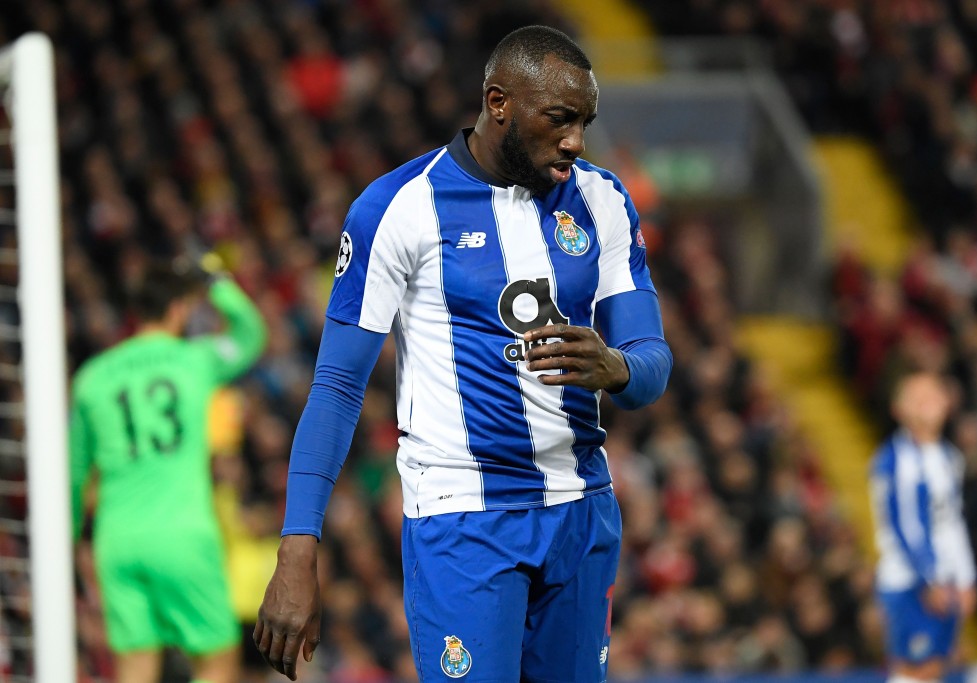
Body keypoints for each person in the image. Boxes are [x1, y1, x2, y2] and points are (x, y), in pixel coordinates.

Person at [255, 24, 673, 682]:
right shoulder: (398, 208)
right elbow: (337, 386)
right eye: (560, 120)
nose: (576, 141)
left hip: (581, 509)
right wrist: (298, 546)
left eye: (586, 122)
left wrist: (617, 368)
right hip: (464, 520)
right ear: (499, 102)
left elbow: (651, 361)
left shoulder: (602, 200)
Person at [70, 260, 268, 683]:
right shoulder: (194, 362)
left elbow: (73, 476)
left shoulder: (91, 379)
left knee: (135, 665)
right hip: (183, 535)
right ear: (178, 309)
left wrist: (71, 541)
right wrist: (216, 282)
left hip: (117, 541)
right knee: (215, 659)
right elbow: (250, 334)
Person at [869, 372, 977, 683]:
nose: (927, 404)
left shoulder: (948, 457)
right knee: (914, 670)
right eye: (917, 398)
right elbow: (905, 526)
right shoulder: (897, 459)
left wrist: (967, 577)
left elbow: (953, 523)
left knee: (935, 670)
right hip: (910, 581)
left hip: (945, 580)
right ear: (899, 409)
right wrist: (931, 577)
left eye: (932, 395)